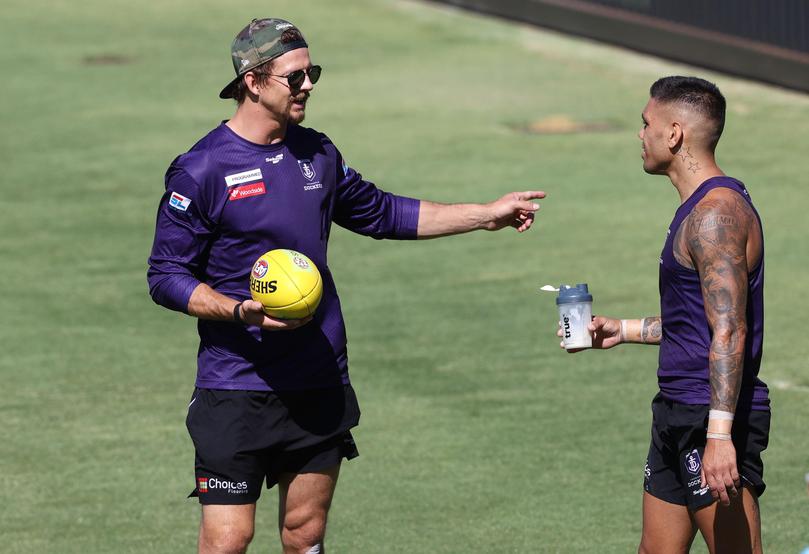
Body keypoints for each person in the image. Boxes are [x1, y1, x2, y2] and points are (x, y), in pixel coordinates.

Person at [147, 18, 545, 554]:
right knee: (227, 540)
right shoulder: (201, 170)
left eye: (312, 73)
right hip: (236, 386)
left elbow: (383, 212)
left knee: (304, 532)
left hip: (318, 378)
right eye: (295, 77)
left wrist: (485, 214)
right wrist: (240, 311)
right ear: (253, 81)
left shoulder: (318, 154)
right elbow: (166, 276)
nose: (308, 84)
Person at [560, 76, 769, 553]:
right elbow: (696, 319)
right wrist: (625, 329)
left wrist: (719, 434)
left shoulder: (716, 214)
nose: (640, 134)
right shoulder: (695, 210)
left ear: (674, 134)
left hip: (711, 417)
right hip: (677, 410)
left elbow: (730, 328)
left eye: (645, 123)